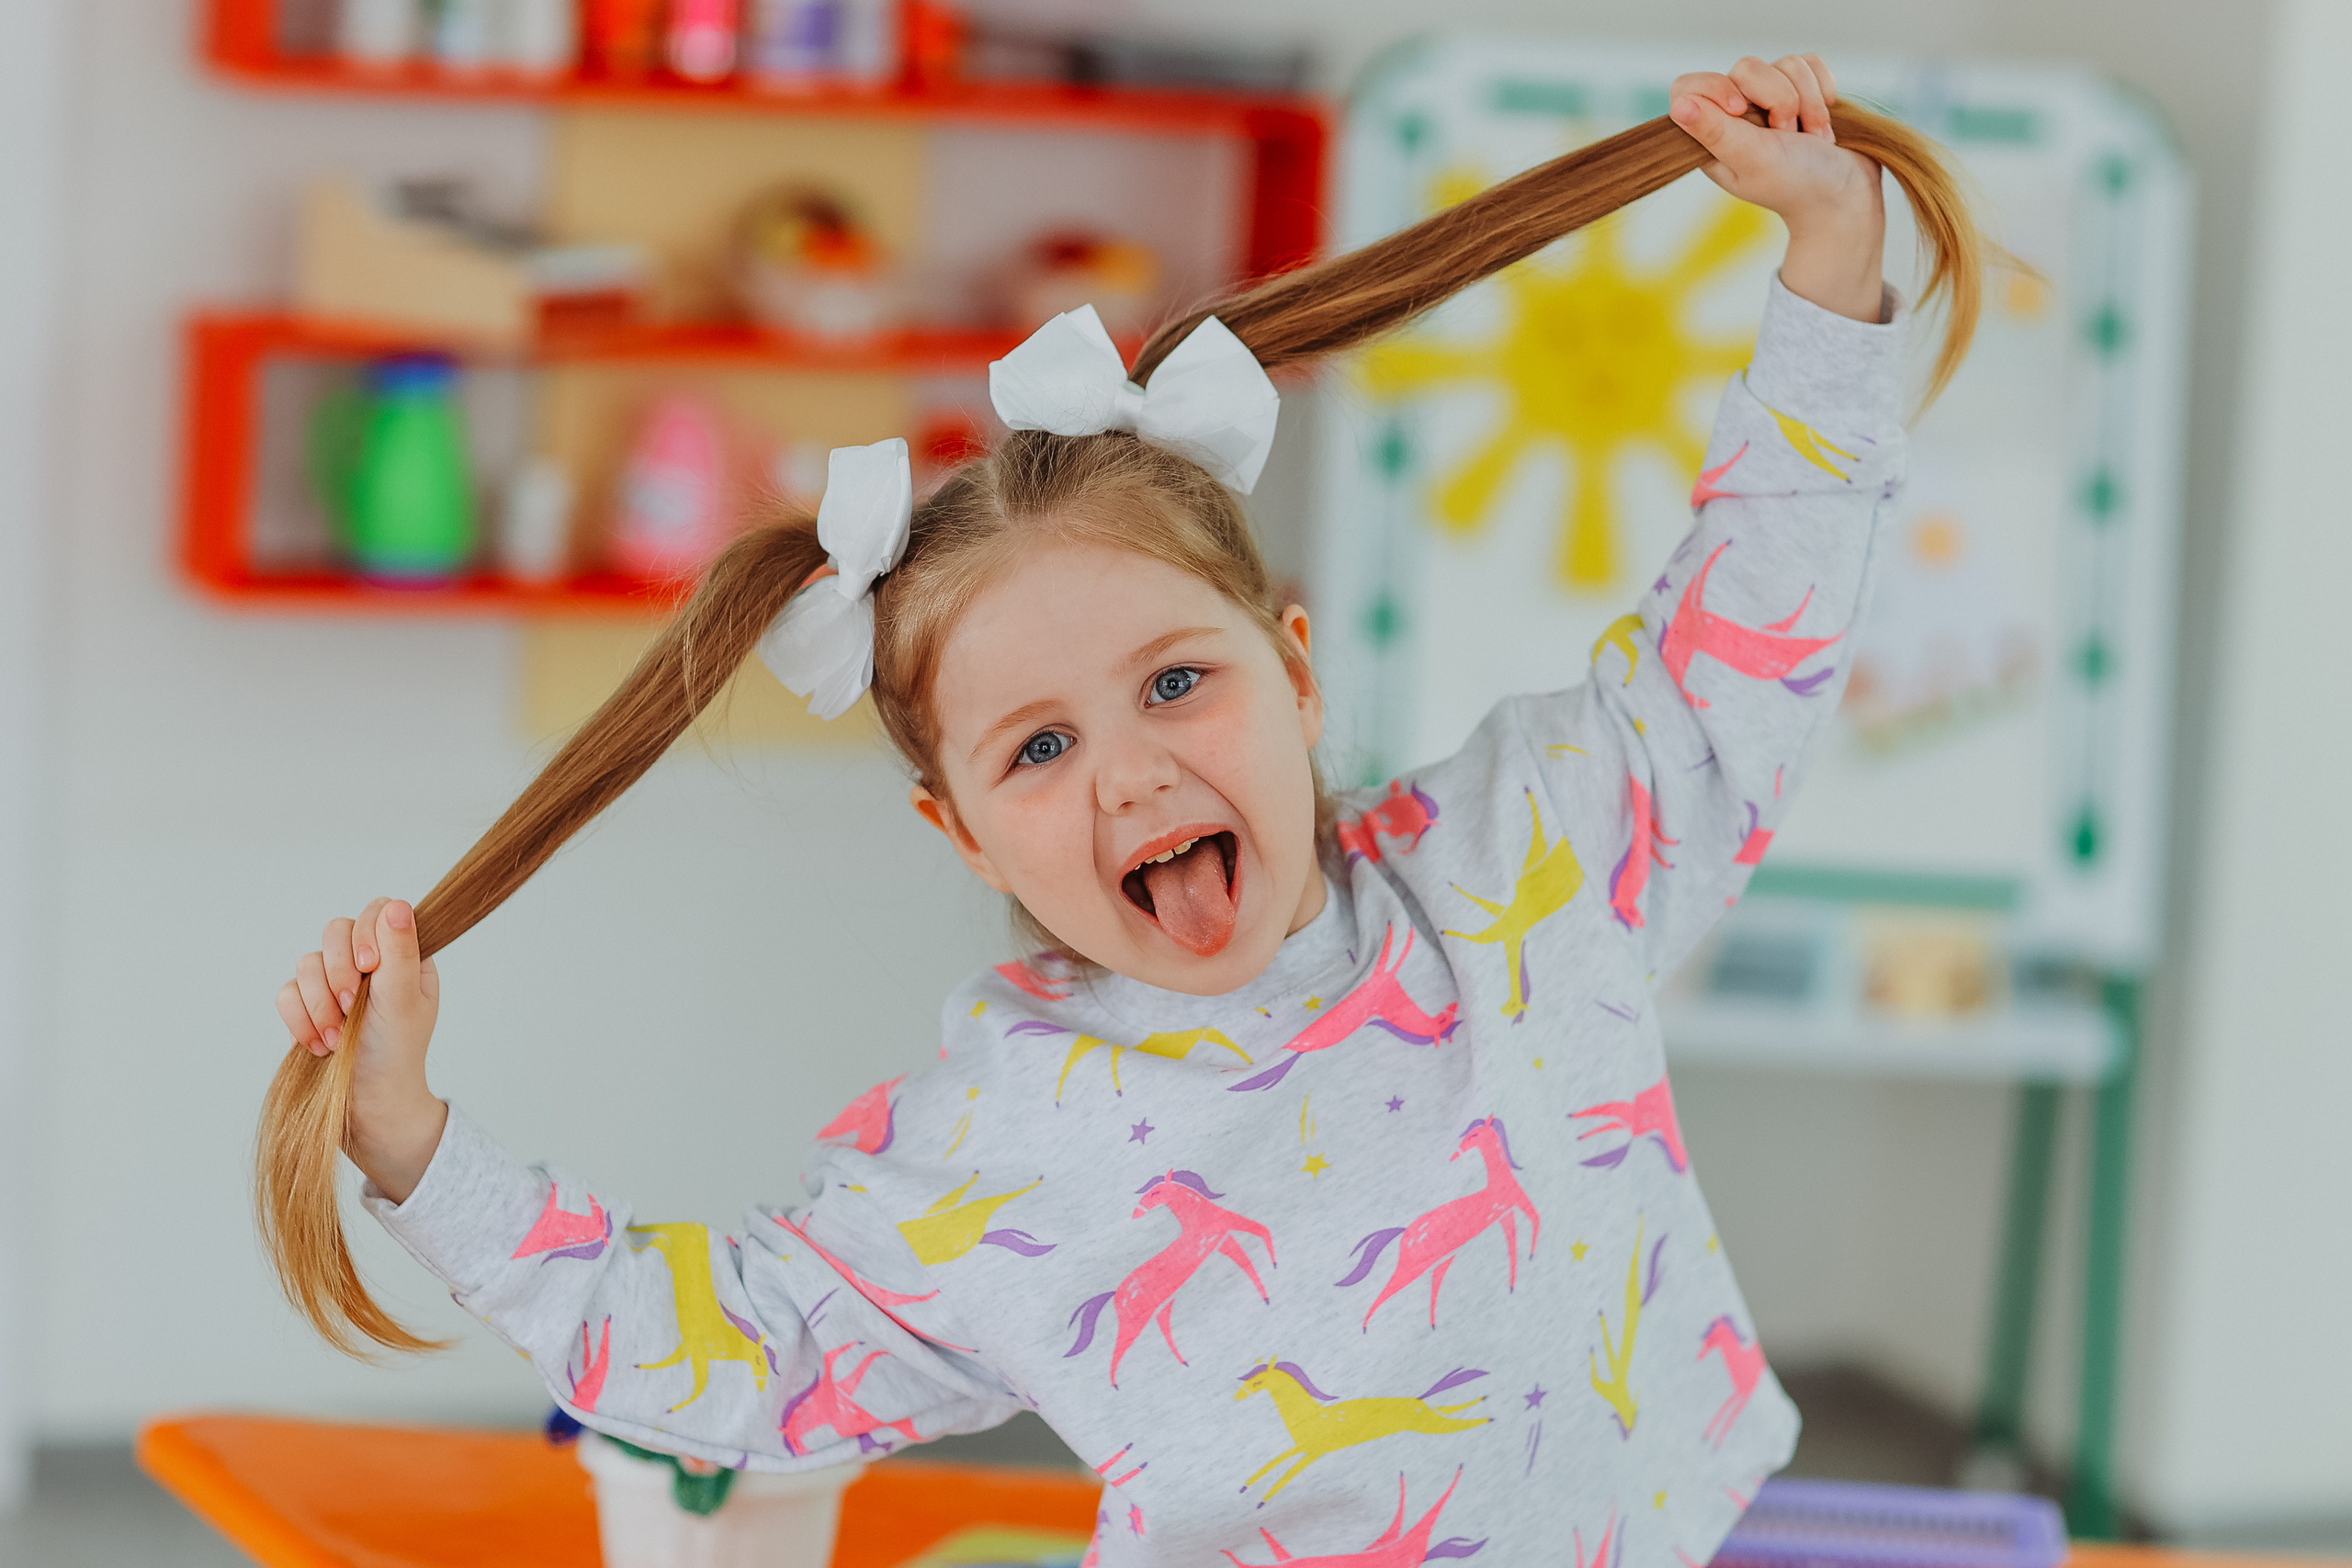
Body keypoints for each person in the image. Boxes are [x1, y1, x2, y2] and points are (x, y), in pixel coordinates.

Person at [266, 55, 1981, 1566]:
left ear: (1296, 676)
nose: (1135, 772)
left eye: (1177, 685)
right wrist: (413, 1143)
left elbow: (1736, 647)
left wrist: (1830, 272)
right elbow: (736, 1352)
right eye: (1036, 750)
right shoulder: (1012, 1137)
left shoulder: (1527, 867)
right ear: (961, 837)